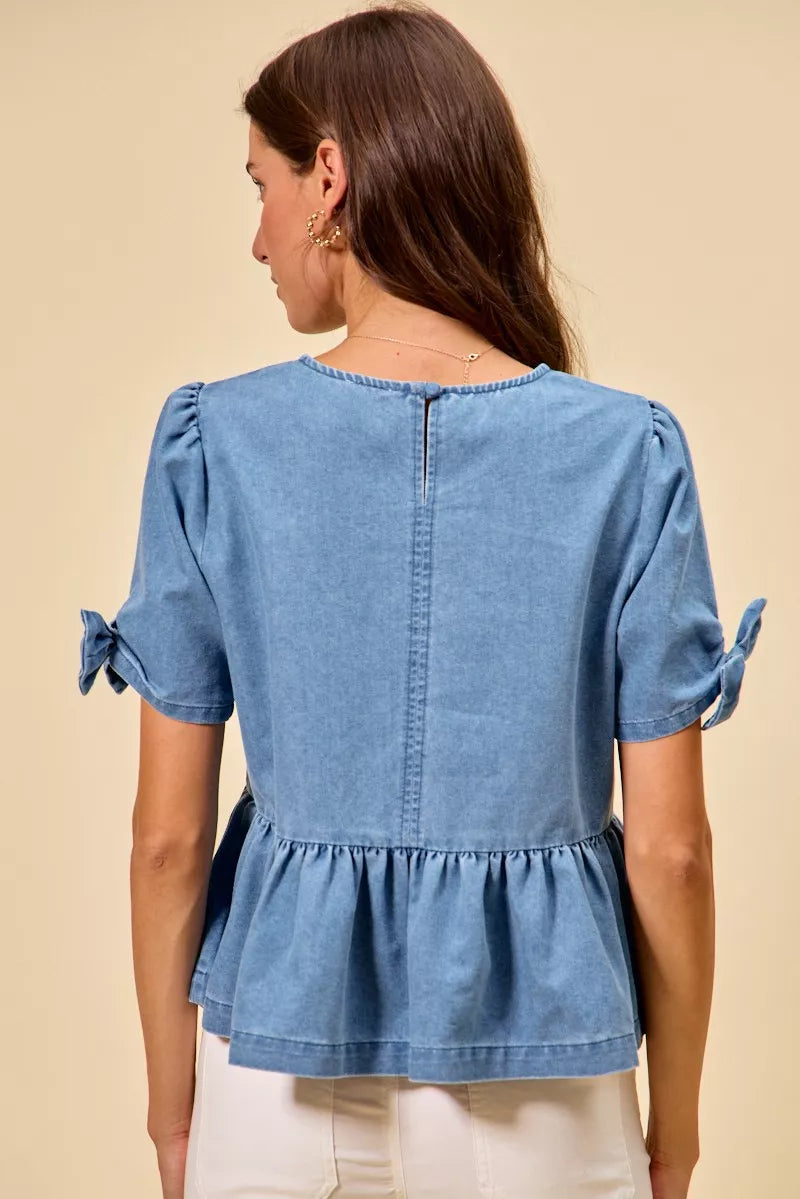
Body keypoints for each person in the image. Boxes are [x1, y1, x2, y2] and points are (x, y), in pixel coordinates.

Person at [77, 4, 767, 1198]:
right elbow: (672, 850)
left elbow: (166, 839)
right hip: (547, 1077)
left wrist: (171, 1108)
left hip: (271, 1072)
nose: (257, 237)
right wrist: (675, 1126)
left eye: (261, 187)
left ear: (328, 178)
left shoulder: (214, 442)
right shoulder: (627, 452)